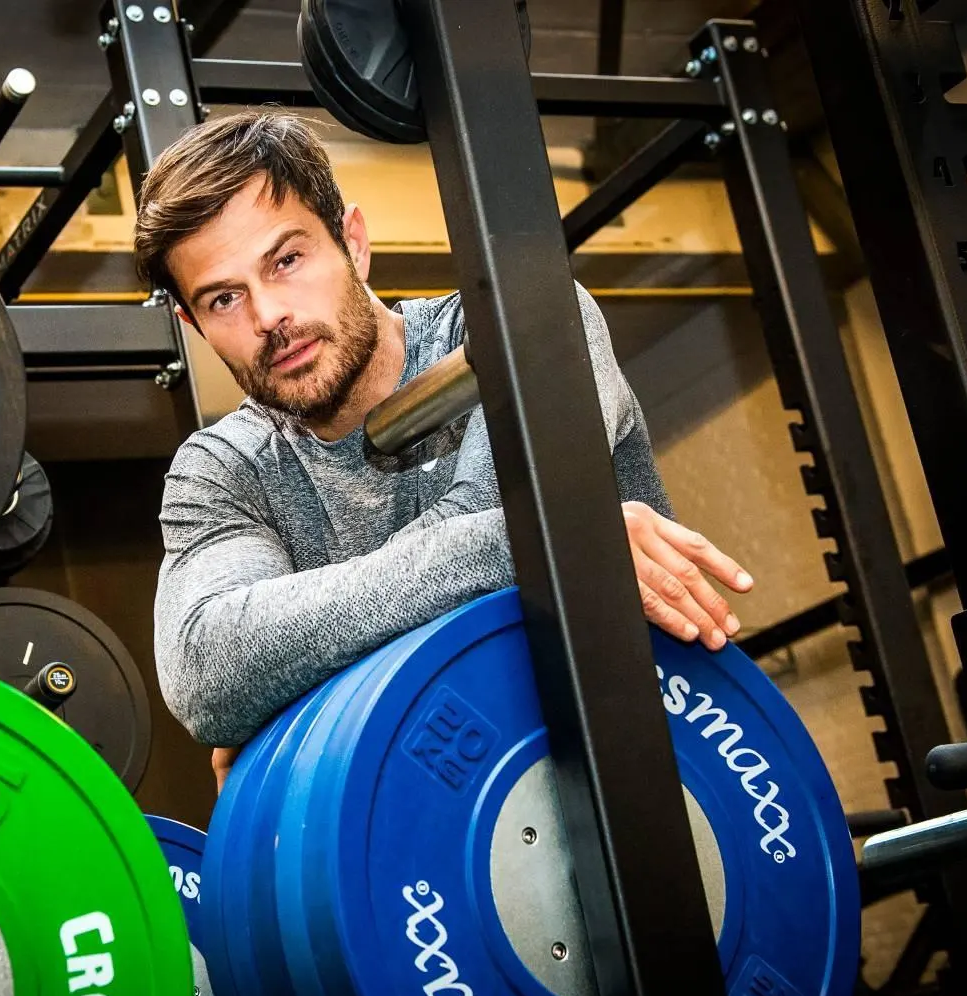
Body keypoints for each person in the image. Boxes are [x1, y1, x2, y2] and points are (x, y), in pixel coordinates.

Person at [134, 111, 754, 791]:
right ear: (194, 325)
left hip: (669, 780)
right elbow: (206, 670)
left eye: (286, 260)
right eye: (224, 298)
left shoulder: (531, 322)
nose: (268, 316)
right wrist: (531, 541)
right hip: (440, 850)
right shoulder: (224, 469)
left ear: (353, 241)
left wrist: (291, 696)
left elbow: (500, 507)